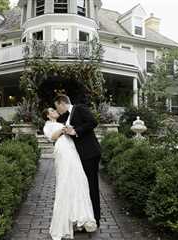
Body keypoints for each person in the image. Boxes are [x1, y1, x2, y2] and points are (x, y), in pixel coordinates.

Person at [43, 107, 97, 240]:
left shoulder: (62, 121)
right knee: (66, 181)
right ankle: (64, 221)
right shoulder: (48, 125)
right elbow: (52, 137)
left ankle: (78, 216)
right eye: (51, 110)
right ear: (48, 116)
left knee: (79, 180)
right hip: (62, 150)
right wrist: (63, 130)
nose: (55, 111)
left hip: (72, 150)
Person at [54, 94, 101, 228]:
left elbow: (93, 122)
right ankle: (87, 217)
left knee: (92, 186)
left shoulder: (79, 108)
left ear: (62, 103)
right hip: (81, 155)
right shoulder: (67, 116)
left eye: (58, 108)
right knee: (85, 187)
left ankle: (95, 219)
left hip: (90, 154)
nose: (58, 111)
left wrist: (76, 131)